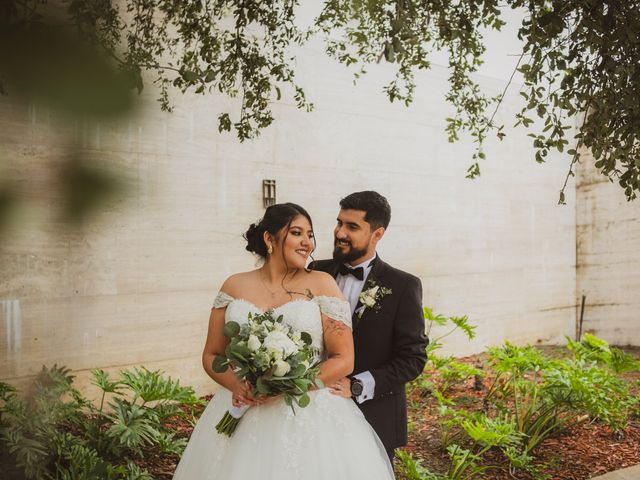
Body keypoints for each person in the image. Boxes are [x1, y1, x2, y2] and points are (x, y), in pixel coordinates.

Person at [173, 202, 394, 479]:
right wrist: (237, 385)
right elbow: (212, 354)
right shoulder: (233, 286)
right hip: (244, 405)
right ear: (269, 238)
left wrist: (289, 385)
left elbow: (344, 359)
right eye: (297, 233)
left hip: (309, 411)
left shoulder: (323, 283)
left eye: (310, 235)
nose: (307, 242)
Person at [311, 191, 428, 462]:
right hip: (311, 408)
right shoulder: (315, 271)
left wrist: (357, 385)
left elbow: (413, 358)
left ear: (378, 234)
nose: (340, 233)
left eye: (352, 227)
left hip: (372, 416)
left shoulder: (403, 286)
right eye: (339, 223)